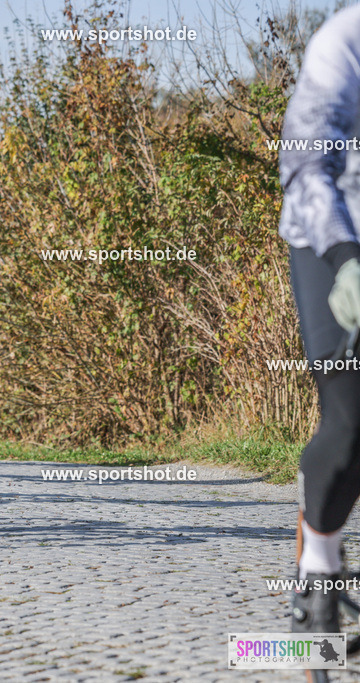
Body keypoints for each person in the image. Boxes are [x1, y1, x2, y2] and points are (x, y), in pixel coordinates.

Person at [279, 4, 360, 637]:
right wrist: (346, 259)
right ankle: (320, 563)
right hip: (327, 237)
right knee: (352, 418)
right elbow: (308, 167)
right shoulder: (344, 42)